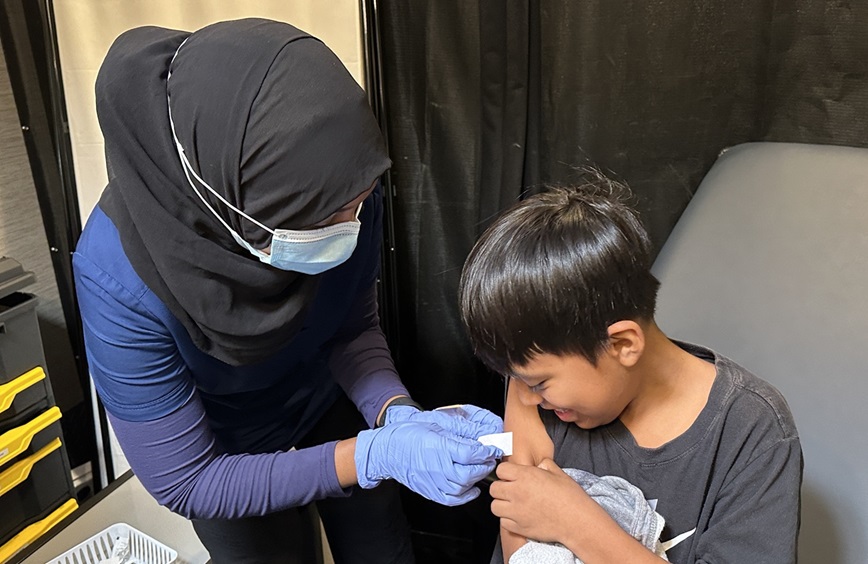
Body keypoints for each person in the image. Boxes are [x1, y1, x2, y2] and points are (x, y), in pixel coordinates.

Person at [73, 18, 502, 564]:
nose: (355, 219)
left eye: (362, 198)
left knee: (382, 546)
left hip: (324, 394)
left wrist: (395, 414)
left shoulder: (347, 191)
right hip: (222, 447)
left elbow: (352, 329)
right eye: (330, 215)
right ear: (235, 210)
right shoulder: (116, 277)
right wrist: (370, 456)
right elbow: (187, 480)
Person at [458, 176, 802, 563]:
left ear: (623, 345)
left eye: (538, 382)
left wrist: (577, 524)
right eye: (517, 380)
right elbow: (519, 547)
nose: (524, 396)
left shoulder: (750, 429)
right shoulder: (534, 390)